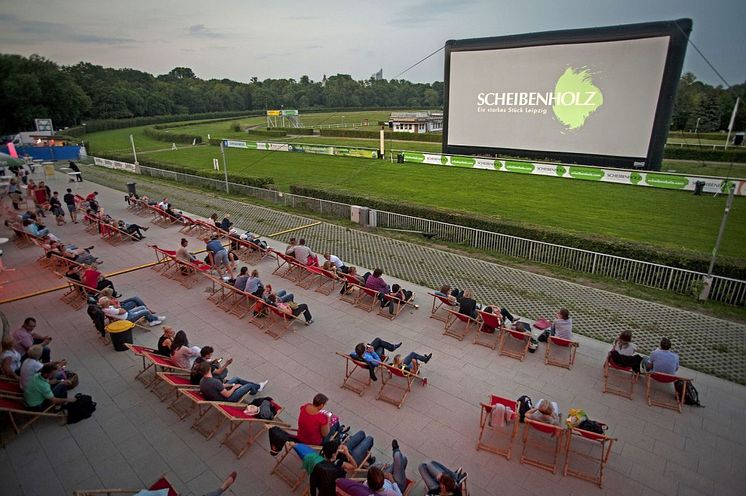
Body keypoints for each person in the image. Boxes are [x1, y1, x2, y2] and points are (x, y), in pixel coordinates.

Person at [198, 361, 266, 402]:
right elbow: (227, 395)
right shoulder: (215, 382)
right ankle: (257, 388)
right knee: (249, 385)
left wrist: (232, 385)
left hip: (219, 394)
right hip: (227, 399)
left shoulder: (202, 381)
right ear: (210, 368)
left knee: (236, 379)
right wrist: (234, 387)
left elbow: (220, 386)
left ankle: (254, 389)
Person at [99, 296, 165, 327]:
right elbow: (123, 311)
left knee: (142, 307)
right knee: (145, 311)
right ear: (107, 303)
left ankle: (153, 319)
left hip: (127, 314)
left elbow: (119, 310)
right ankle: (152, 321)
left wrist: (116, 306)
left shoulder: (105, 308)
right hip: (128, 318)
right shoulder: (109, 310)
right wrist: (117, 305)